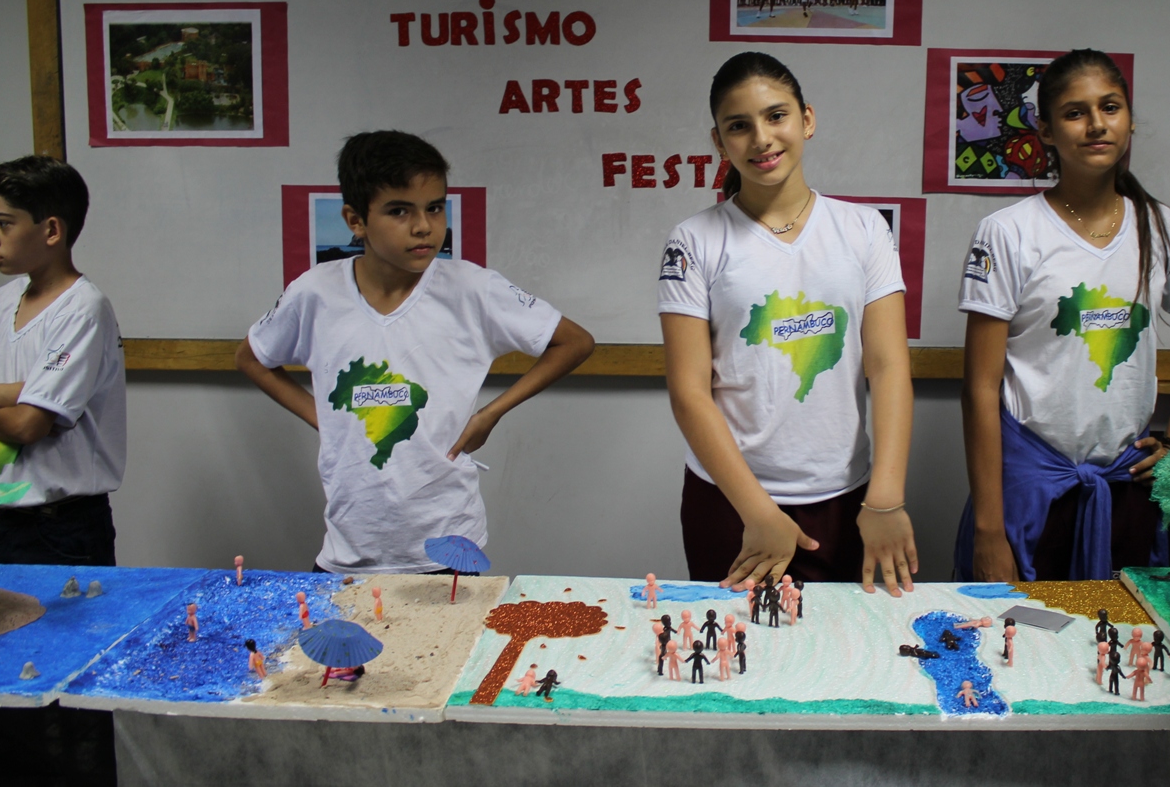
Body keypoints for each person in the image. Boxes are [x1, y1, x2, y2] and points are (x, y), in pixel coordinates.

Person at [236, 131, 594, 574]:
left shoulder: (471, 288)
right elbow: (252, 358)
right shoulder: (314, 292)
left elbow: (575, 342)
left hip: (448, 544)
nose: (424, 226)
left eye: (435, 207)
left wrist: (491, 413)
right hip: (349, 551)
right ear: (355, 220)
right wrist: (322, 418)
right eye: (399, 211)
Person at [659, 52, 918, 595]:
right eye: (739, 125)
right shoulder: (694, 239)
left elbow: (889, 365)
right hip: (732, 503)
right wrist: (759, 513)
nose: (761, 138)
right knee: (736, 663)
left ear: (807, 120)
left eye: (776, 116)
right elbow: (689, 391)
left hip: (848, 498)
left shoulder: (864, 229)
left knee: (844, 664)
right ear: (719, 141)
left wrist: (886, 497)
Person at [955, 49, 1170, 582]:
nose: (1097, 124)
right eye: (1075, 112)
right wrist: (989, 529)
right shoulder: (1009, 232)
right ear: (1045, 131)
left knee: (1114, 649)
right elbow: (980, 388)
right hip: (1031, 491)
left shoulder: (1161, 226)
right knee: (1020, 648)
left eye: (1110, 107)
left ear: (1129, 120)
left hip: (1127, 491)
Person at [0, 156, 126, 567]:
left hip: (56, 530)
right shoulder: (3, 301)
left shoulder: (82, 310)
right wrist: (6, 392)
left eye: (4, 223)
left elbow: (27, 426)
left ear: (51, 229)